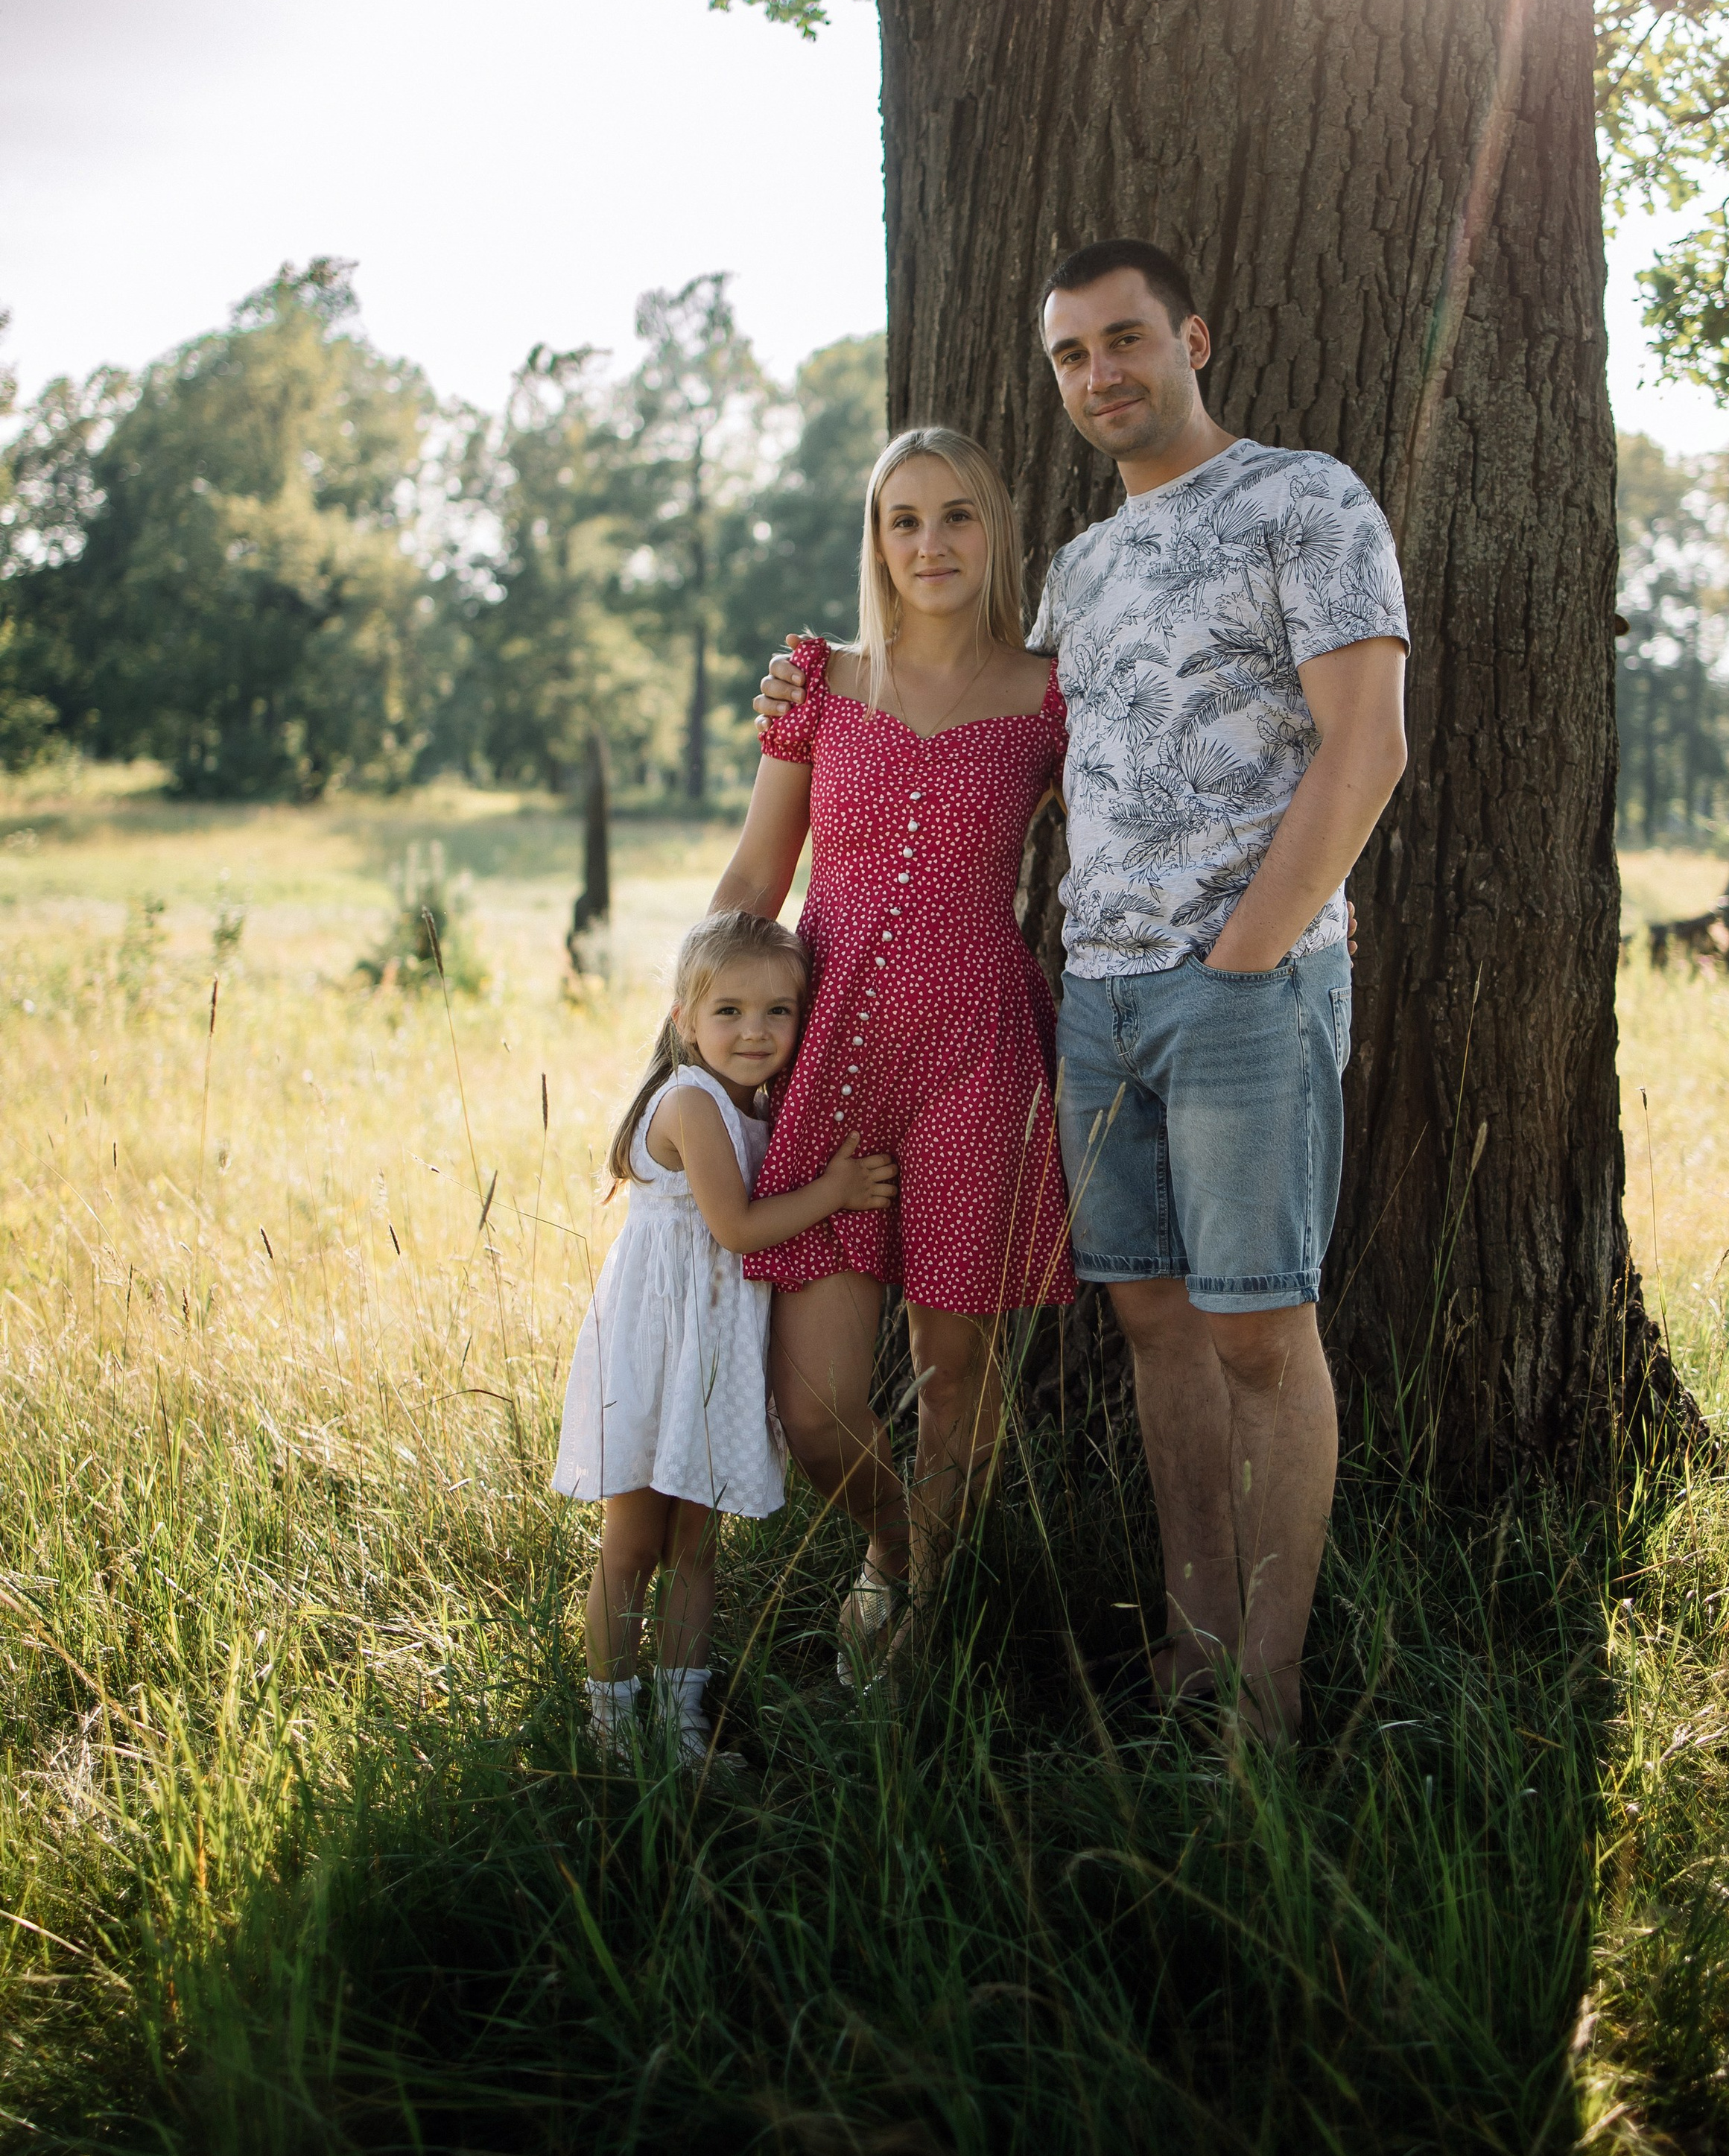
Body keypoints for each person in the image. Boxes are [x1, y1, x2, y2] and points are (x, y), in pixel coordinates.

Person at [758, 241, 1409, 1748]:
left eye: (1126, 339)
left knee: (1259, 1333)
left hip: (1244, 990)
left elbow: (1365, 746)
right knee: (1158, 1331)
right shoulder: (1082, 574)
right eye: (1071, 353)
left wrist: (1250, 952)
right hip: (1095, 1006)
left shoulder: (1304, 500)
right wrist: (804, 695)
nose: (1101, 373)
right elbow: (974, 731)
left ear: (1193, 338)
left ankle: (1264, 1700)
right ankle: (1190, 1656)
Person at [710, 425, 1075, 1683]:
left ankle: (924, 1620)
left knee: (954, 1367)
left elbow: (1134, 847)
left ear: (997, 530)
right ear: (875, 541)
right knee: (816, 1407)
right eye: (904, 520)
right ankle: (893, 1549)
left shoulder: (1049, 696)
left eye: (958, 515)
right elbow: (755, 879)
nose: (932, 544)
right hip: (834, 1054)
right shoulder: (819, 683)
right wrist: (690, 1049)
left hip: (980, 1054)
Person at [552, 908, 896, 1766]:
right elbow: (737, 1228)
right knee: (632, 1545)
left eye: (778, 1011)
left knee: (696, 1549)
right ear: (685, 1020)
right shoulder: (692, 1102)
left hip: (713, 1360)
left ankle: (681, 1730)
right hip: (656, 1356)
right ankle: (610, 1731)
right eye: (729, 1011)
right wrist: (835, 1192)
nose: (754, 1031)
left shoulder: (762, 1108)